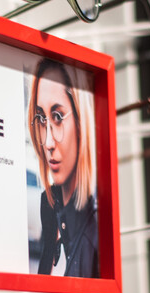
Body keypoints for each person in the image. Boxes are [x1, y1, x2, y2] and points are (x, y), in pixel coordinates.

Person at [28, 58, 99, 278]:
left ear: (80, 122)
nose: (48, 142)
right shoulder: (50, 204)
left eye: (58, 117)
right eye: (41, 119)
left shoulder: (94, 230)